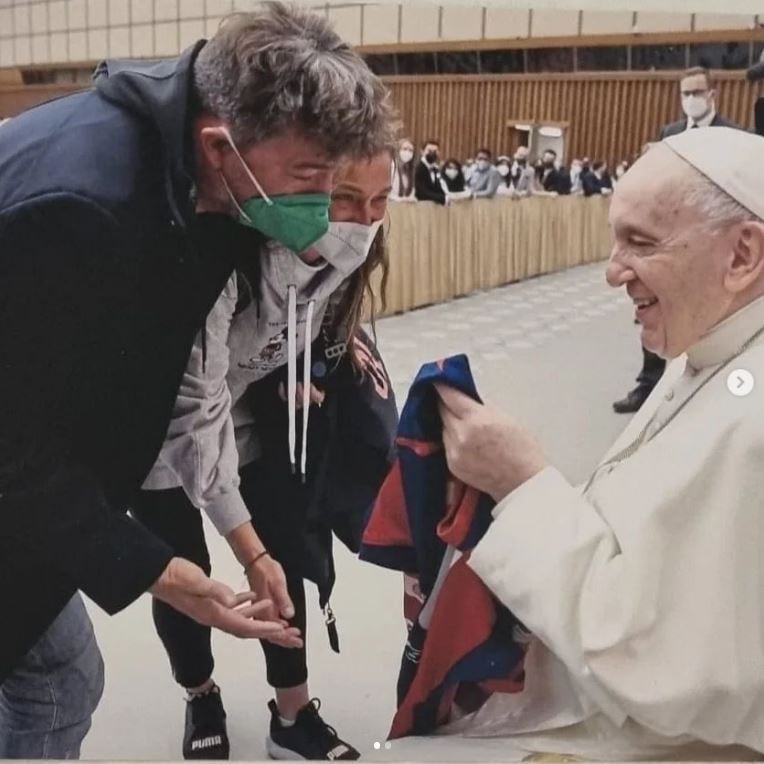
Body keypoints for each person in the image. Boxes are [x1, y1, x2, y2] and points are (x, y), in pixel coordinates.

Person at [0, 4, 394, 758]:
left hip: (54, 478)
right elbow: (12, 442)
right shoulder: (80, 211)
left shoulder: (211, 185)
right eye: (313, 177)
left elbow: (190, 393)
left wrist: (242, 550)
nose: (328, 205)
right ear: (222, 145)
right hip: (27, 478)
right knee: (54, 681)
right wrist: (159, 568)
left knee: (57, 672)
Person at [373, 126, 764, 762]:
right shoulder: (713, 351)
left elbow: (657, 660)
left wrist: (522, 486)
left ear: (742, 255)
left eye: (640, 243)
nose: (612, 272)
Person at [132, 150, 396, 761]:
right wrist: (245, 551)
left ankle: (293, 712)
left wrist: (315, 368)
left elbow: (328, 324)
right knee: (183, 570)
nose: (364, 219)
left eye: (380, 200)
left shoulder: (355, 247)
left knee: (285, 555)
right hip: (157, 419)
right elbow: (194, 413)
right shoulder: (222, 252)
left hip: (252, 411)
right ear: (300, 189)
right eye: (346, 198)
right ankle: (200, 692)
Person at [613, 66, 744, 414]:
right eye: (685, 94)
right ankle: (650, 386)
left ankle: (712, 391)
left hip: (710, 244)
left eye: (696, 93)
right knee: (652, 308)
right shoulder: (670, 134)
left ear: (711, 95)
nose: (690, 101)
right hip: (666, 241)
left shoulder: (732, 136)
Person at [414, 139, 447, 205]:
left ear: (439, 153)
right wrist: (443, 198)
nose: (432, 153)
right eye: (429, 150)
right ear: (422, 152)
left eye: (435, 151)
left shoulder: (436, 169)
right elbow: (421, 192)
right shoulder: (417, 168)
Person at [391, 138, 416, 202]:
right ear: (398, 150)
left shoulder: (411, 170)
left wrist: (411, 198)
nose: (408, 152)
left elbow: (412, 191)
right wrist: (398, 199)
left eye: (411, 150)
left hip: (403, 208)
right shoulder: (391, 166)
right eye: (405, 149)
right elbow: (383, 192)